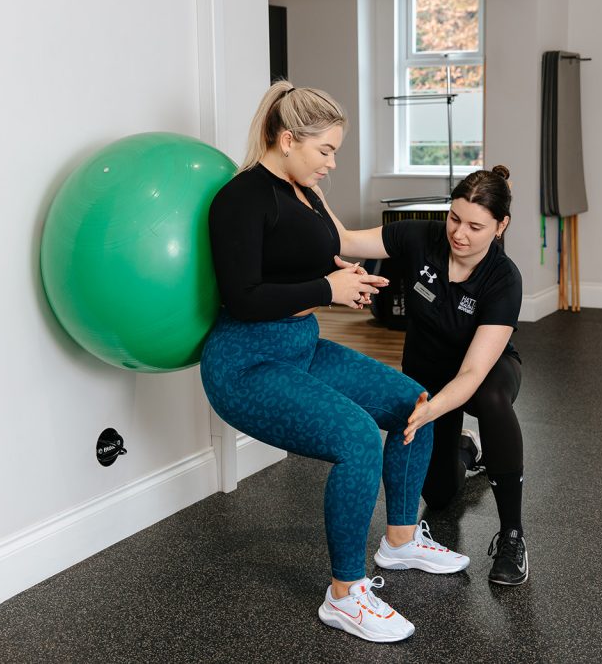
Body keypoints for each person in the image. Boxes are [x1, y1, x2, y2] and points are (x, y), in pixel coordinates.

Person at [200, 80, 469, 644]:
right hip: (246, 364)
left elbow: (315, 258)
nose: (331, 163)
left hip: (300, 346)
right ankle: (344, 595)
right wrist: (327, 288)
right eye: (325, 150)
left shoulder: (306, 193)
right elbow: (244, 297)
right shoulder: (241, 199)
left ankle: (399, 540)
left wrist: (347, 277)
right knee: (356, 439)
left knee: (414, 401)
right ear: (288, 138)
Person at [327, 166, 528, 586]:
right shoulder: (420, 236)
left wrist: (430, 410)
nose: (460, 233)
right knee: (438, 497)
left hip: (484, 373)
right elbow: (345, 239)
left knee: (490, 401)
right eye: (455, 218)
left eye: (476, 226)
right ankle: (463, 450)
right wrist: (305, 183)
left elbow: (474, 371)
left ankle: (512, 535)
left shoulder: (503, 278)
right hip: (427, 375)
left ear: (500, 226)